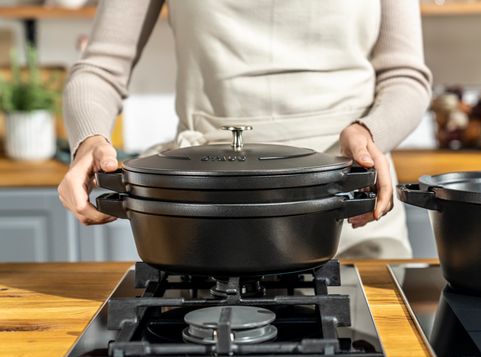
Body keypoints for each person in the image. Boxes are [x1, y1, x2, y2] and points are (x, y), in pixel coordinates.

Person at [58, 0, 432, 259]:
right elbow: (101, 68)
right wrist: (89, 138)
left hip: (348, 198)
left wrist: (370, 133)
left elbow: (405, 75)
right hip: (207, 211)